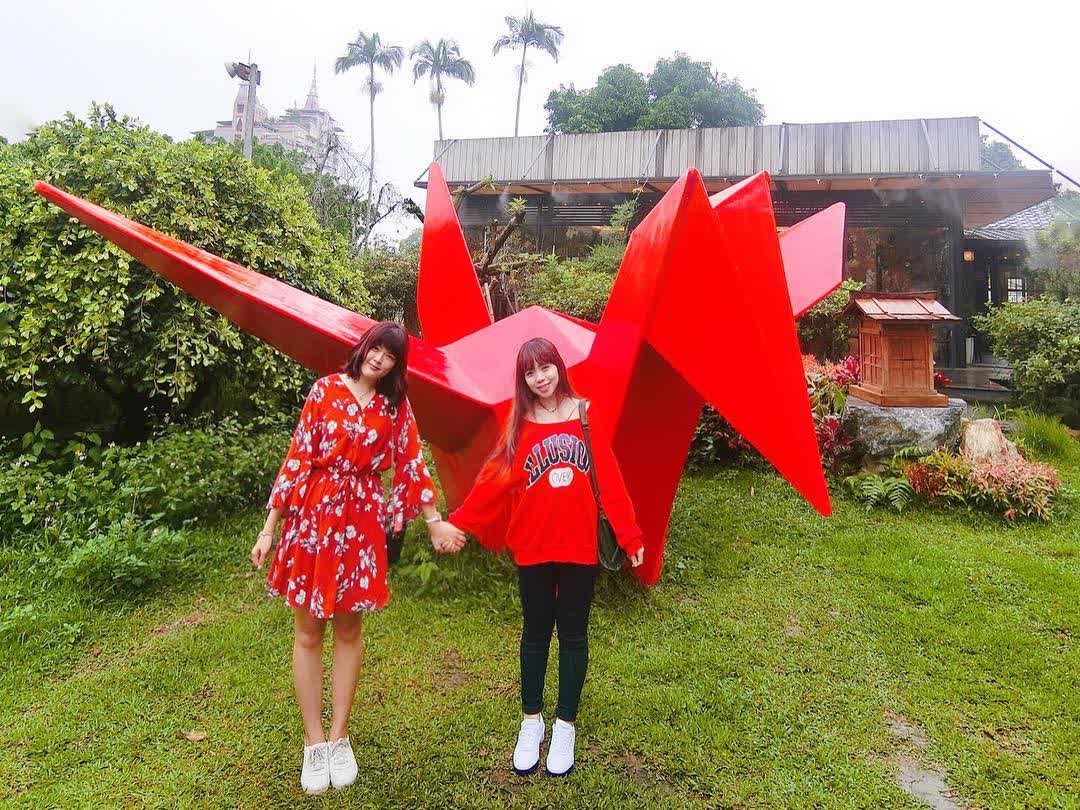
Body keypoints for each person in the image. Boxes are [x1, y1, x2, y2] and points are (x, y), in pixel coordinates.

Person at [250, 321, 465, 795]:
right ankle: (313, 743)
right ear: (364, 346)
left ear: (396, 366)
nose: (379, 359)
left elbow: (411, 461)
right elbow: (297, 459)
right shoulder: (324, 390)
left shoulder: (394, 405)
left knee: (349, 629)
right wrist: (269, 528)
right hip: (313, 518)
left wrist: (433, 520)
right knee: (308, 632)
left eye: (391, 356)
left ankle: (339, 737)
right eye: (376, 348)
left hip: (362, 522)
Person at [443, 337, 644, 777]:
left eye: (546, 367)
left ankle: (565, 725)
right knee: (535, 634)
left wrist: (629, 535)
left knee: (573, 634)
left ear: (559, 367)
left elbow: (609, 479)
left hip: (578, 547)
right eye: (530, 372)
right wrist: (460, 522)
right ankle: (531, 721)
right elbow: (494, 478)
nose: (540, 378)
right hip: (533, 547)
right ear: (523, 380)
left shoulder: (585, 414)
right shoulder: (519, 423)